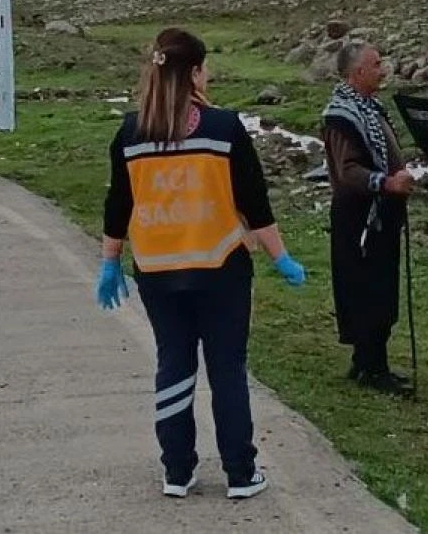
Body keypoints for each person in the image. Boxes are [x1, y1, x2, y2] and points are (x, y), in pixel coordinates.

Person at [98, 27, 306, 500]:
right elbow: (254, 203)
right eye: (205, 68)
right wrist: (281, 257)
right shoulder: (223, 128)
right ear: (194, 73)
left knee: (173, 364)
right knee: (227, 368)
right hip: (220, 267)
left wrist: (110, 261)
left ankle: (176, 471)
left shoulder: (130, 133)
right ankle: (240, 473)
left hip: (157, 270)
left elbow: (118, 205)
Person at [322, 41, 415, 394]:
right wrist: (386, 182)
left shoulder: (370, 107)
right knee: (367, 288)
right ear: (357, 72)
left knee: (380, 285)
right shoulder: (342, 116)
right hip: (360, 215)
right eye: (376, 64)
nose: (383, 69)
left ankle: (368, 361)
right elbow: (347, 171)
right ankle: (373, 367)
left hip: (380, 212)